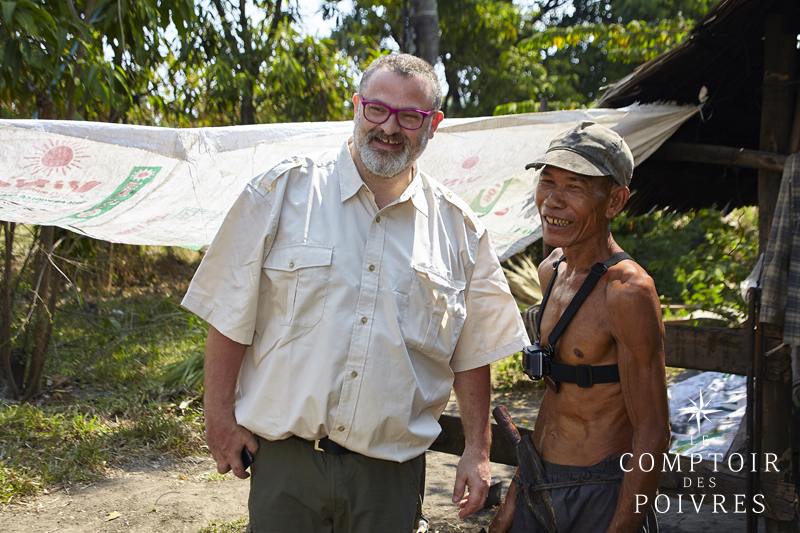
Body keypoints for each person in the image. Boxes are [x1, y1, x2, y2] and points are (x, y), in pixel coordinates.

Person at [181, 53, 529, 533]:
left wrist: (477, 450)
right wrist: (218, 417)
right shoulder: (281, 192)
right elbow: (228, 314)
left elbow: (473, 353)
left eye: (410, 116)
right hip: (286, 466)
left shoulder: (458, 229)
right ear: (356, 106)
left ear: (434, 125)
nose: (389, 127)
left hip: (389, 477)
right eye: (377, 109)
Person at [489, 121, 670, 533]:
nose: (552, 200)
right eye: (547, 181)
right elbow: (559, 398)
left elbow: (654, 431)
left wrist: (622, 527)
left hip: (601, 490)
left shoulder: (628, 292)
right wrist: (518, 494)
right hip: (540, 479)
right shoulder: (551, 270)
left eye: (575, 186)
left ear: (615, 201)